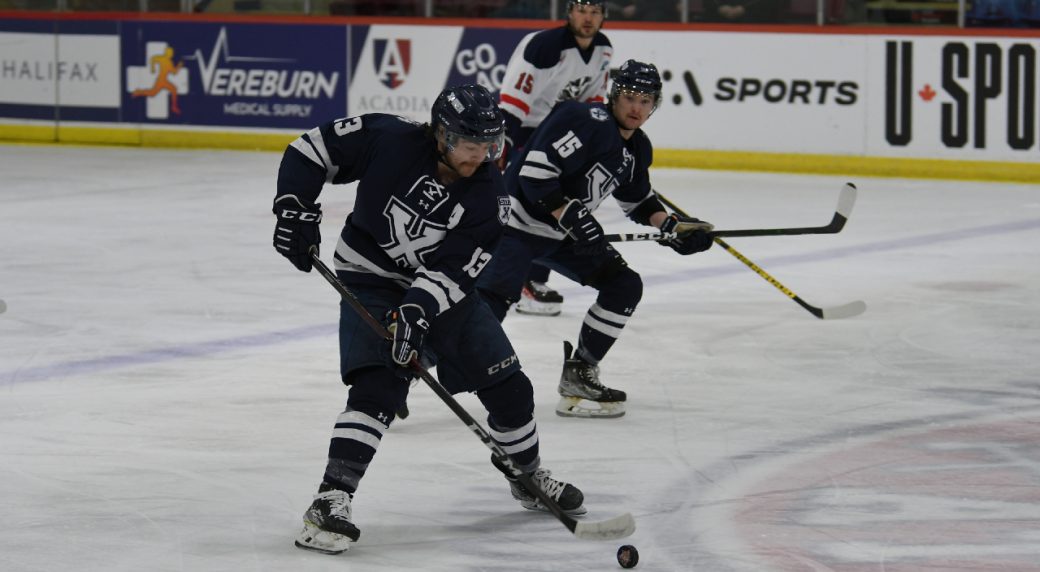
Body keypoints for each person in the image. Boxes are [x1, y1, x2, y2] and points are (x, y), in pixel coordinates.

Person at [272, 84, 586, 555]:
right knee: (380, 385)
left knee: (511, 387)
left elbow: (455, 271)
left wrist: (417, 310)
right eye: (469, 143)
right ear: (441, 133)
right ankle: (330, 499)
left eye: (489, 144)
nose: (479, 155)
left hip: (441, 295)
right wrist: (294, 205)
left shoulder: (490, 197)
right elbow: (310, 151)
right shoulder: (388, 138)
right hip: (369, 277)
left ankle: (526, 476)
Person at [477, 60, 715, 419]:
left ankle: (579, 373)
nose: (637, 107)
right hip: (515, 227)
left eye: (646, 100)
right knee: (485, 311)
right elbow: (535, 174)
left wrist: (671, 226)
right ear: (615, 96)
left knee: (624, 285)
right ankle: (402, 371)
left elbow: (638, 200)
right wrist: (571, 216)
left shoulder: (637, 149)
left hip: (562, 235)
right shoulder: (583, 119)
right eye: (631, 97)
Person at [497, 0, 613, 317]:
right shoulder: (544, 46)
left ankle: (533, 278)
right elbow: (513, 101)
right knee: (525, 206)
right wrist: (504, 146)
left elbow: (592, 102)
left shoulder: (603, 48)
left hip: (559, 133)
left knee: (558, 202)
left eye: (595, 12)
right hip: (526, 130)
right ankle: (516, 280)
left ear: (604, 16)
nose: (587, 18)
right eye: (581, 10)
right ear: (569, 13)